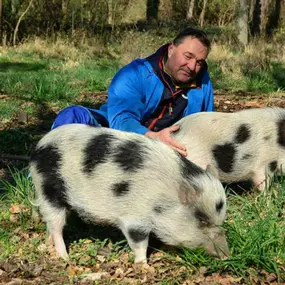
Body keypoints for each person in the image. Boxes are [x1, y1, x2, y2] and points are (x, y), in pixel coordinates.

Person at [52, 27, 214, 156]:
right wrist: (153, 137)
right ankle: (42, 176)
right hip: (118, 137)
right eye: (187, 56)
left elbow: (206, 127)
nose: (192, 67)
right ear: (171, 49)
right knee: (72, 115)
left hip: (167, 153)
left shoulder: (203, 83)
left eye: (199, 62)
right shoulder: (134, 74)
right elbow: (122, 120)